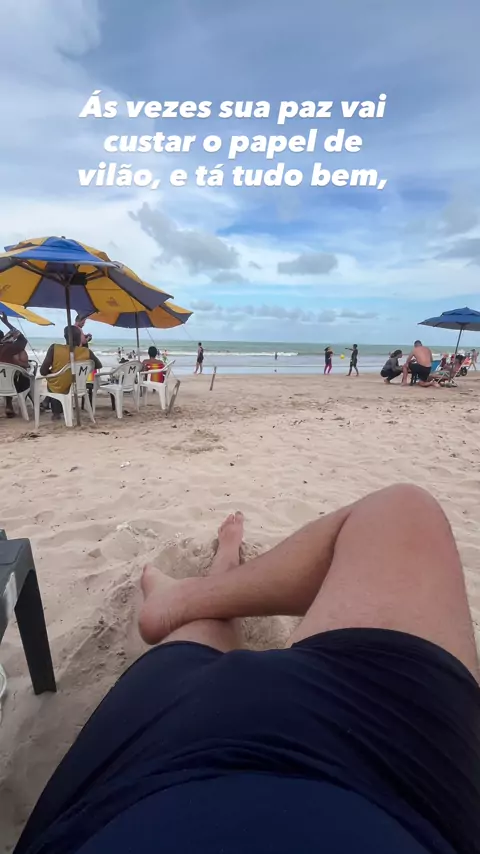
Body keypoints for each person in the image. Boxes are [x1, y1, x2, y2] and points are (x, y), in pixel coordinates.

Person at [14, 485, 480, 854]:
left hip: (148, 780)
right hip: (399, 778)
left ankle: (198, 587)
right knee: (405, 513)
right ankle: (205, 582)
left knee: (200, 645)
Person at [40, 326, 102, 419]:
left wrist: (52, 372)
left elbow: (43, 371)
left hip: (59, 385)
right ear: (79, 338)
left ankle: (56, 413)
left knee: (53, 381)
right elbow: (98, 365)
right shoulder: (86, 352)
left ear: (65, 336)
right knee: (61, 381)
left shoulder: (55, 348)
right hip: (78, 386)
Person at [0, 313, 31, 417]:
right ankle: (11, 405)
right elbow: (22, 338)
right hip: (11, 384)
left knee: (6, 376)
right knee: (23, 377)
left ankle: (9, 405)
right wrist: (6, 323)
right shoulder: (10, 348)